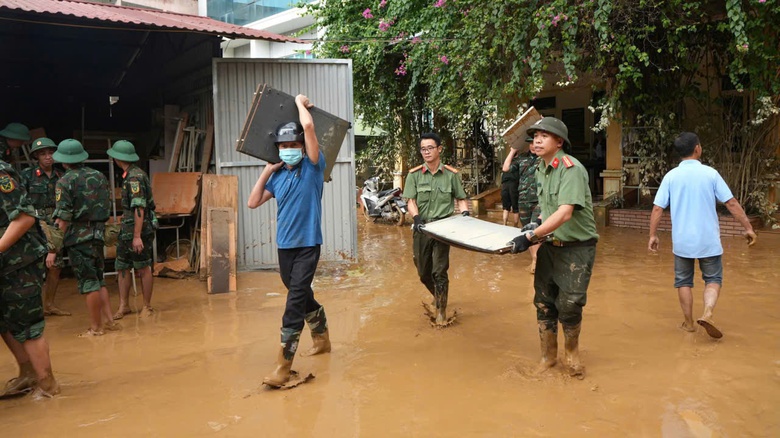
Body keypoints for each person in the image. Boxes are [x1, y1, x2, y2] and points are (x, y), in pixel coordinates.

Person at [247, 94, 331, 388]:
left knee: (294, 302)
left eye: (293, 145)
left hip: (309, 244)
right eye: (283, 146)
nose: (289, 150)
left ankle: (283, 367)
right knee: (298, 292)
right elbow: (253, 202)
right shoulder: (279, 178)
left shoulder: (313, 168)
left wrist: (298, 102)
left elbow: (308, 129)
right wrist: (267, 171)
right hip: (285, 247)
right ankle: (322, 336)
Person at [510, 117, 598, 379]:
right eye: (535, 135)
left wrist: (530, 237)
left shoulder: (570, 169)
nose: (537, 139)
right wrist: (535, 223)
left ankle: (571, 353)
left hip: (577, 247)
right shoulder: (541, 168)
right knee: (544, 302)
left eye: (544, 136)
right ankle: (548, 357)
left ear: (559, 142)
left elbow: (565, 212)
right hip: (550, 244)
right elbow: (546, 206)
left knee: (570, 304)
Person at [648, 132, 757, 339]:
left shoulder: (671, 177)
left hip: (682, 242)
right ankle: (707, 312)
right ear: (697, 149)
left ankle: (689, 324)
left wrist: (653, 235)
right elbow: (731, 203)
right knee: (713, 278)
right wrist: (748, 227)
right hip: (708, 241)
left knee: (683, 282)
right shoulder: (710, 174)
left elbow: (657, 209)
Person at [0, 142, 59, 398]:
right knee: (4, 321)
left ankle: (48, 385)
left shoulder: (2, 174)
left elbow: (25, 217)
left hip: (19, 262)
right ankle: (27, 373)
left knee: (28, 325)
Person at [52, 139, 118, 337]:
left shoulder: (64, 181)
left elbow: (62, 218)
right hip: (98, 234)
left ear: (64, 161)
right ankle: (109, 321)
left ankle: (96, 328)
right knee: (99, 279)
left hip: (78, 239)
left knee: (89, 284)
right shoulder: (98, 176)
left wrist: (52, 248)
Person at [403, 132, 469, 327]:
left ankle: (441, 311)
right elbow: (411, 201)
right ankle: (438, 296)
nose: (427, 152)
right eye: (423, 149)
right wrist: (416, 218)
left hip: (443, 229)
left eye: (430, 148)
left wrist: (465, 215)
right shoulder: (414, 175)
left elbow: (461, 198)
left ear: (439, 149)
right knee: (423, 272)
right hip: (422, 228)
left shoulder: (451, 175)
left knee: (440, 271)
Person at [107, 140, 157, 320]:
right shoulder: (128, 175)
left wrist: (137, 236)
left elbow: (139, 208)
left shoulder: (135, 177)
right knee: (122, 266)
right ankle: (124, 305)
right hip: (127, 229)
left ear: (117, 158)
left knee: (143, 267)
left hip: (139, 230)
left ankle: (147, 306)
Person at [21, 138, 69, 317]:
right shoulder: (27, 175)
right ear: (36, 156)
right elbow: (21, 202)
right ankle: (33, 308)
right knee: (33, 267)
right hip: (34, 225)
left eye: (50, 153)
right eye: (43, 154)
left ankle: (49, 304)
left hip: (55, 224)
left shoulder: (61, 176)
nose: (48, 157)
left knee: (55, 266)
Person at [515, 137, 541, 273]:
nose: (534, 145)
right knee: (526, 230)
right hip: (523, 199)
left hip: (538, 200)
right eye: (530, 142)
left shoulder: (543, 158)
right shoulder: (522, 158)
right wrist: (513, 150)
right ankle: (534, 259)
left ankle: (537, 260)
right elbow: (506, 167)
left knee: (535, 228)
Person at [500, 146, 521, 227]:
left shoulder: (507, 162)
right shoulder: (519, 161)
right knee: (515, 207)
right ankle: (515, 225)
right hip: (514, 185)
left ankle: (504, 224)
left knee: (506, 207)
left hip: (505, 185)